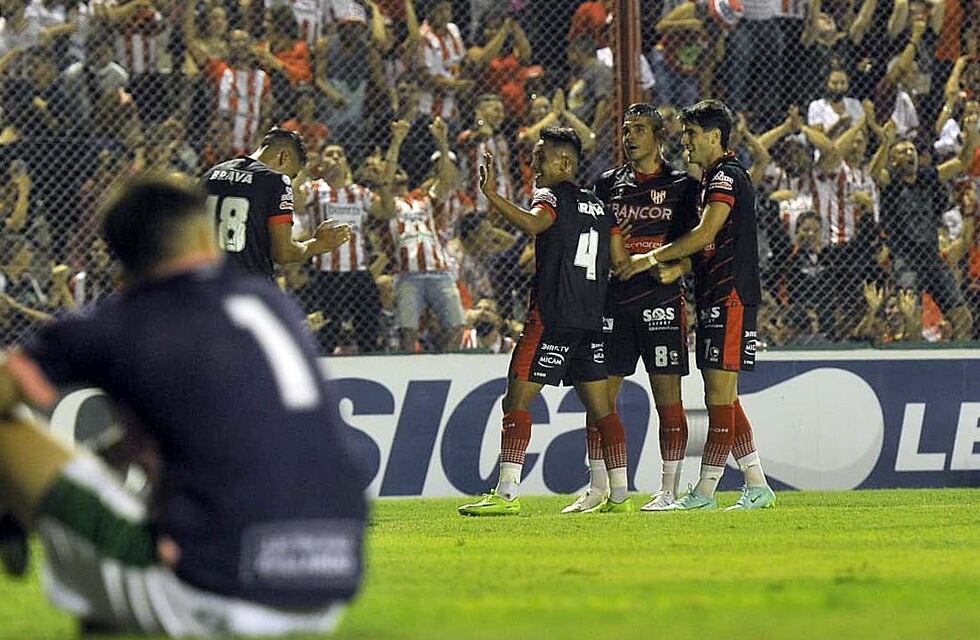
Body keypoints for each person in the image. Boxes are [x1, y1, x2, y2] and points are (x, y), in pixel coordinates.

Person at [0, 174, 368, 636]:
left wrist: (16, 497)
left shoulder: (122, 323)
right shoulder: (270, 304)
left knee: (6, 431)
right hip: (331, 578)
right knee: (113, 587)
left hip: (214, 588)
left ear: (120, 255)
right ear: (201, 234)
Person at [457, 127, 632, 516]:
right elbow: (620, 260)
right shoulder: (602, 207)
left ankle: (505, 495)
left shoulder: (550, 195)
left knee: (516, 399)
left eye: (542, 158)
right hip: (591, 320)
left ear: (565, 163)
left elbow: (535, 224)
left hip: (552, 318)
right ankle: (620, 496)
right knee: (603, 410)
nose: (535, 165)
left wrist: (491, 196)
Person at [620, 100, 776, 511]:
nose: (684, 141)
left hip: (731, 296)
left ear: (713, 136)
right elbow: (708, 246)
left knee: (718, 397)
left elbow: (707, 232)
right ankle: (757, 485)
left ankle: (705, 492)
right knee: (725, 396)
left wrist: (651, 258)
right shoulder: (712, 178)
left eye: (690, 134)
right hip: (716, 294)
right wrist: (681, 267)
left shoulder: (725, 176)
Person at [571, 104, 700, 514]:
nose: (629, 137)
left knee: (668, 399)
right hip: (614, 301)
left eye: (639, 130)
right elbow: (590, 242)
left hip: (661, 302)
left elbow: (702, 244)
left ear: (658, 136)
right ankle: (599, 487)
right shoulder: (607, 184)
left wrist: (679, 266)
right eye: (626, 130)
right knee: (599, 400)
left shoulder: (682, 185)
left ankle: (668, 490)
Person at [870, 111, 979, 339]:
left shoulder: (926, 176)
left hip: (932, 258)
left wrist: (972, 134)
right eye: (902, 152)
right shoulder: (891, 183)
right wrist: (886, 143)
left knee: (962, 318)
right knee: (911, 320)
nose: (910, 153)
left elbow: (962, 162)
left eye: (911, 150)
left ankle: (954, 365)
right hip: (906, 261)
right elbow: (874, 173)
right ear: (893, 160)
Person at [202, 127, 352, 282]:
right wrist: (318, 244)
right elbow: (284, 253)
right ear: (283, 156)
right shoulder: (277, 181)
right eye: (292, 175)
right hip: (248, 285)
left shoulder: (212, 173)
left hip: (205, 280)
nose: (289, 179)